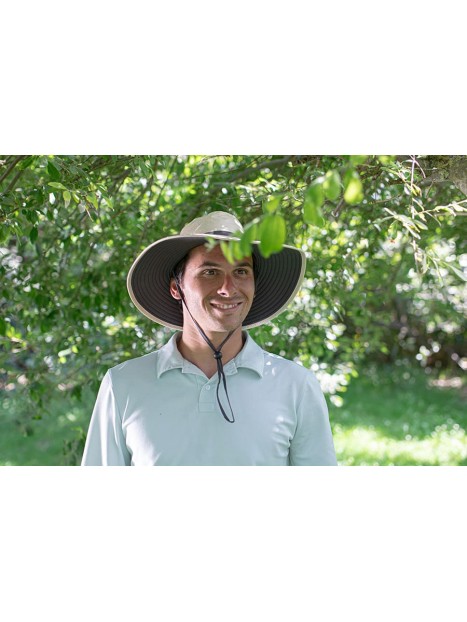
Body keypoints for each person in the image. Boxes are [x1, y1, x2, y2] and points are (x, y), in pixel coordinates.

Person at [81, 211, 337, 465]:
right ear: (176, 287)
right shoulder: (124, 384)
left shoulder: (296, 386)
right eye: (210, 272)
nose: (228, 288)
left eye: (241, 272)